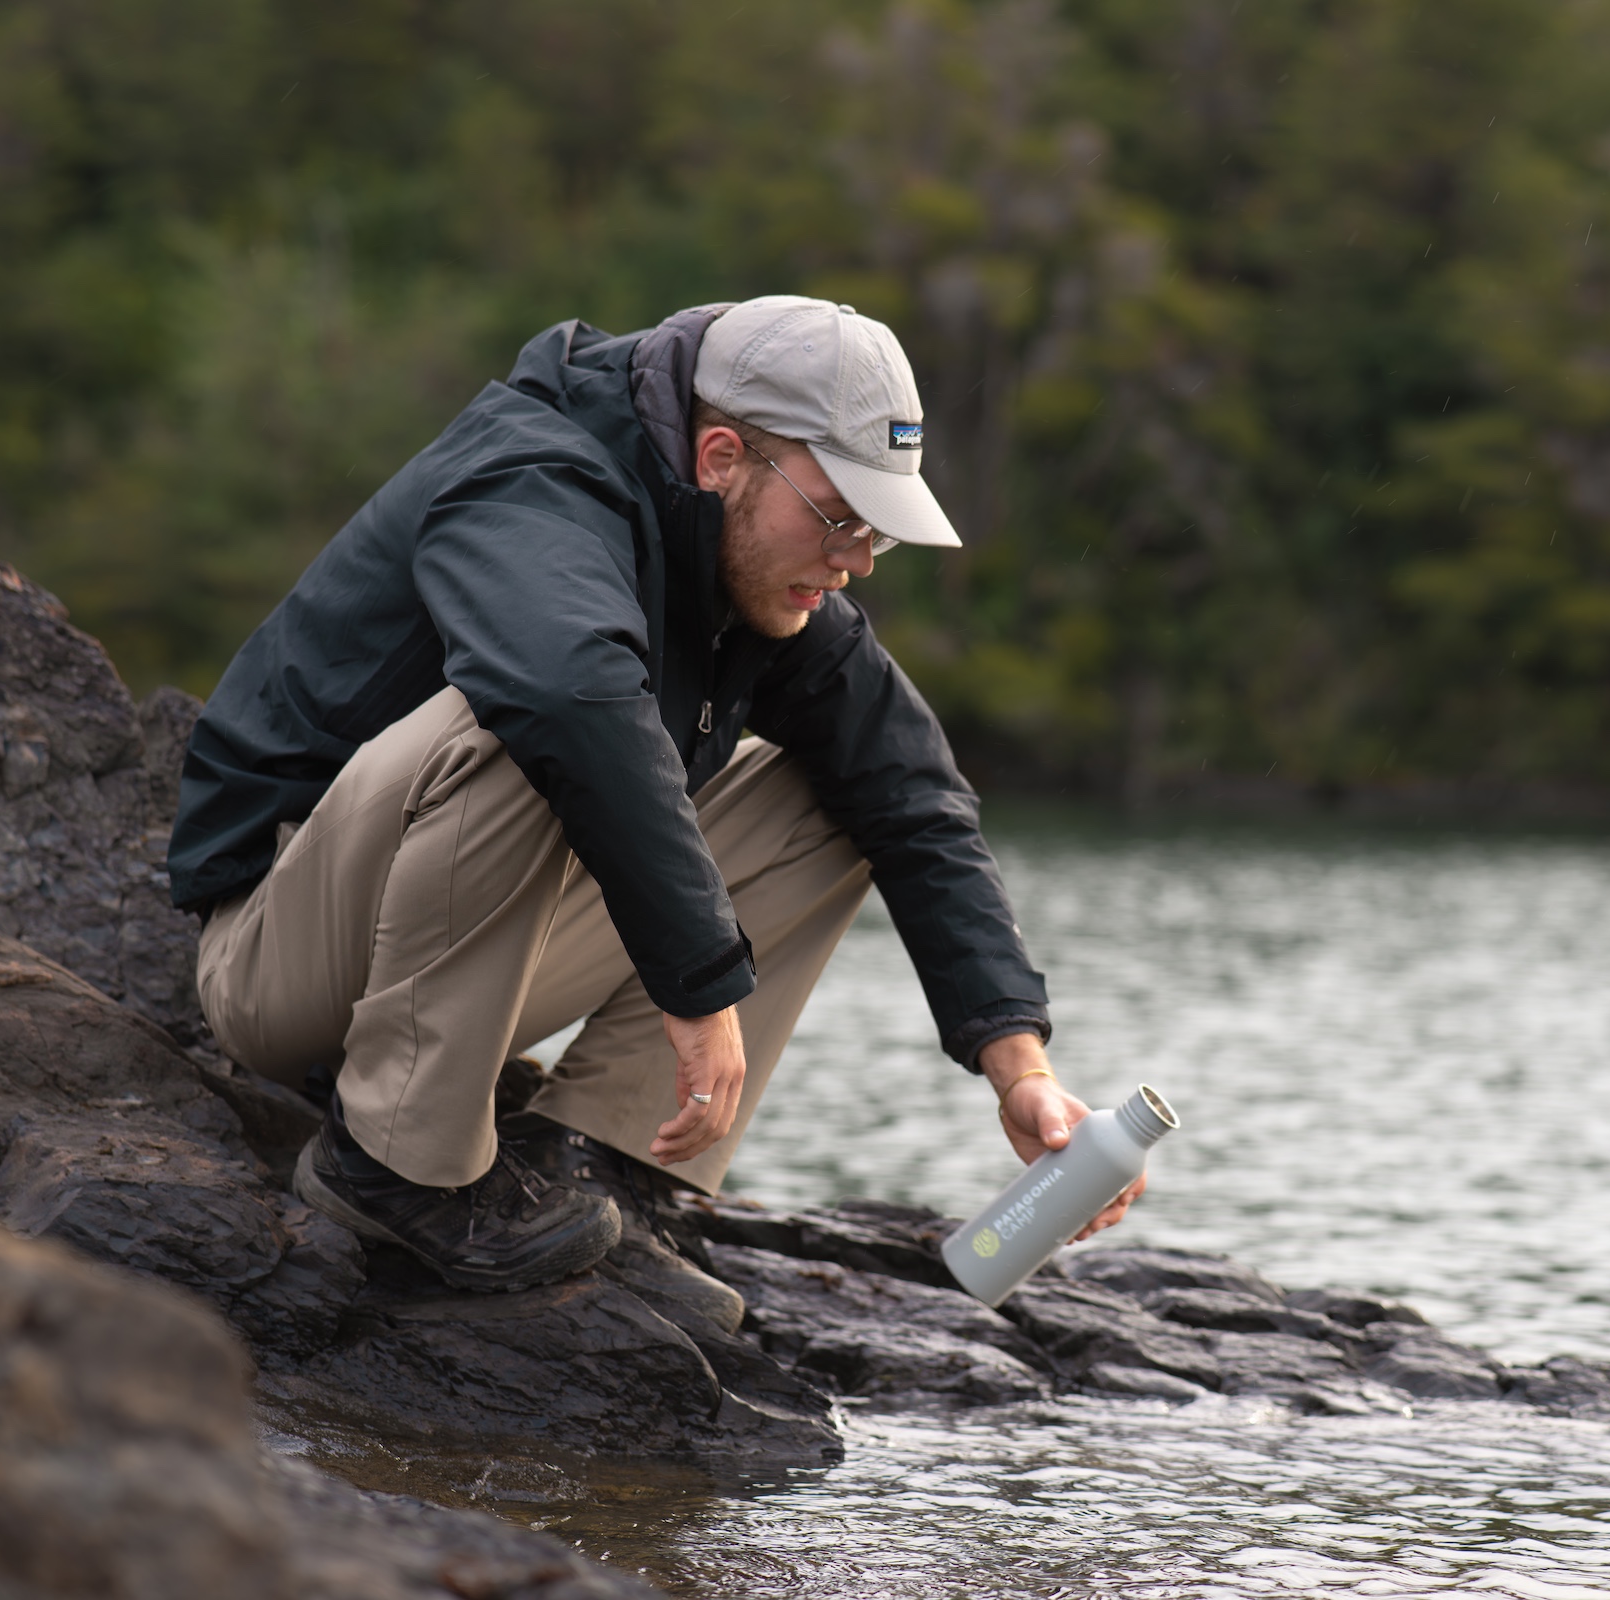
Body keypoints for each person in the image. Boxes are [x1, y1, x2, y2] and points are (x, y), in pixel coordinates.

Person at [167, 296, 1141, 1302]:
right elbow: (563, 694)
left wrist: (1018, 1067)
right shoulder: (534, 478)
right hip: (279, 963)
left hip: (436, 964)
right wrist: (702, 987)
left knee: (846, 793)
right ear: (721, 454)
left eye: (877, 533)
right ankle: (393, 1168)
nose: (854, 561)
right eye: (841, 517)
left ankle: (605, 1153)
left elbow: (916, 795)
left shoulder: (752, 562)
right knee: (540, 712)